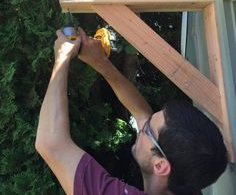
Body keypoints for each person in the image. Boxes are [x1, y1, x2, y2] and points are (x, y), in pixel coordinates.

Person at [35, 28, 228, 195]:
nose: (142, 125)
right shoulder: (187, 180)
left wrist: (61, 59)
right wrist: (101, 63)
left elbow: (51, 144)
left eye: (148, 131)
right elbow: (142, 113)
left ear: (161, 166)